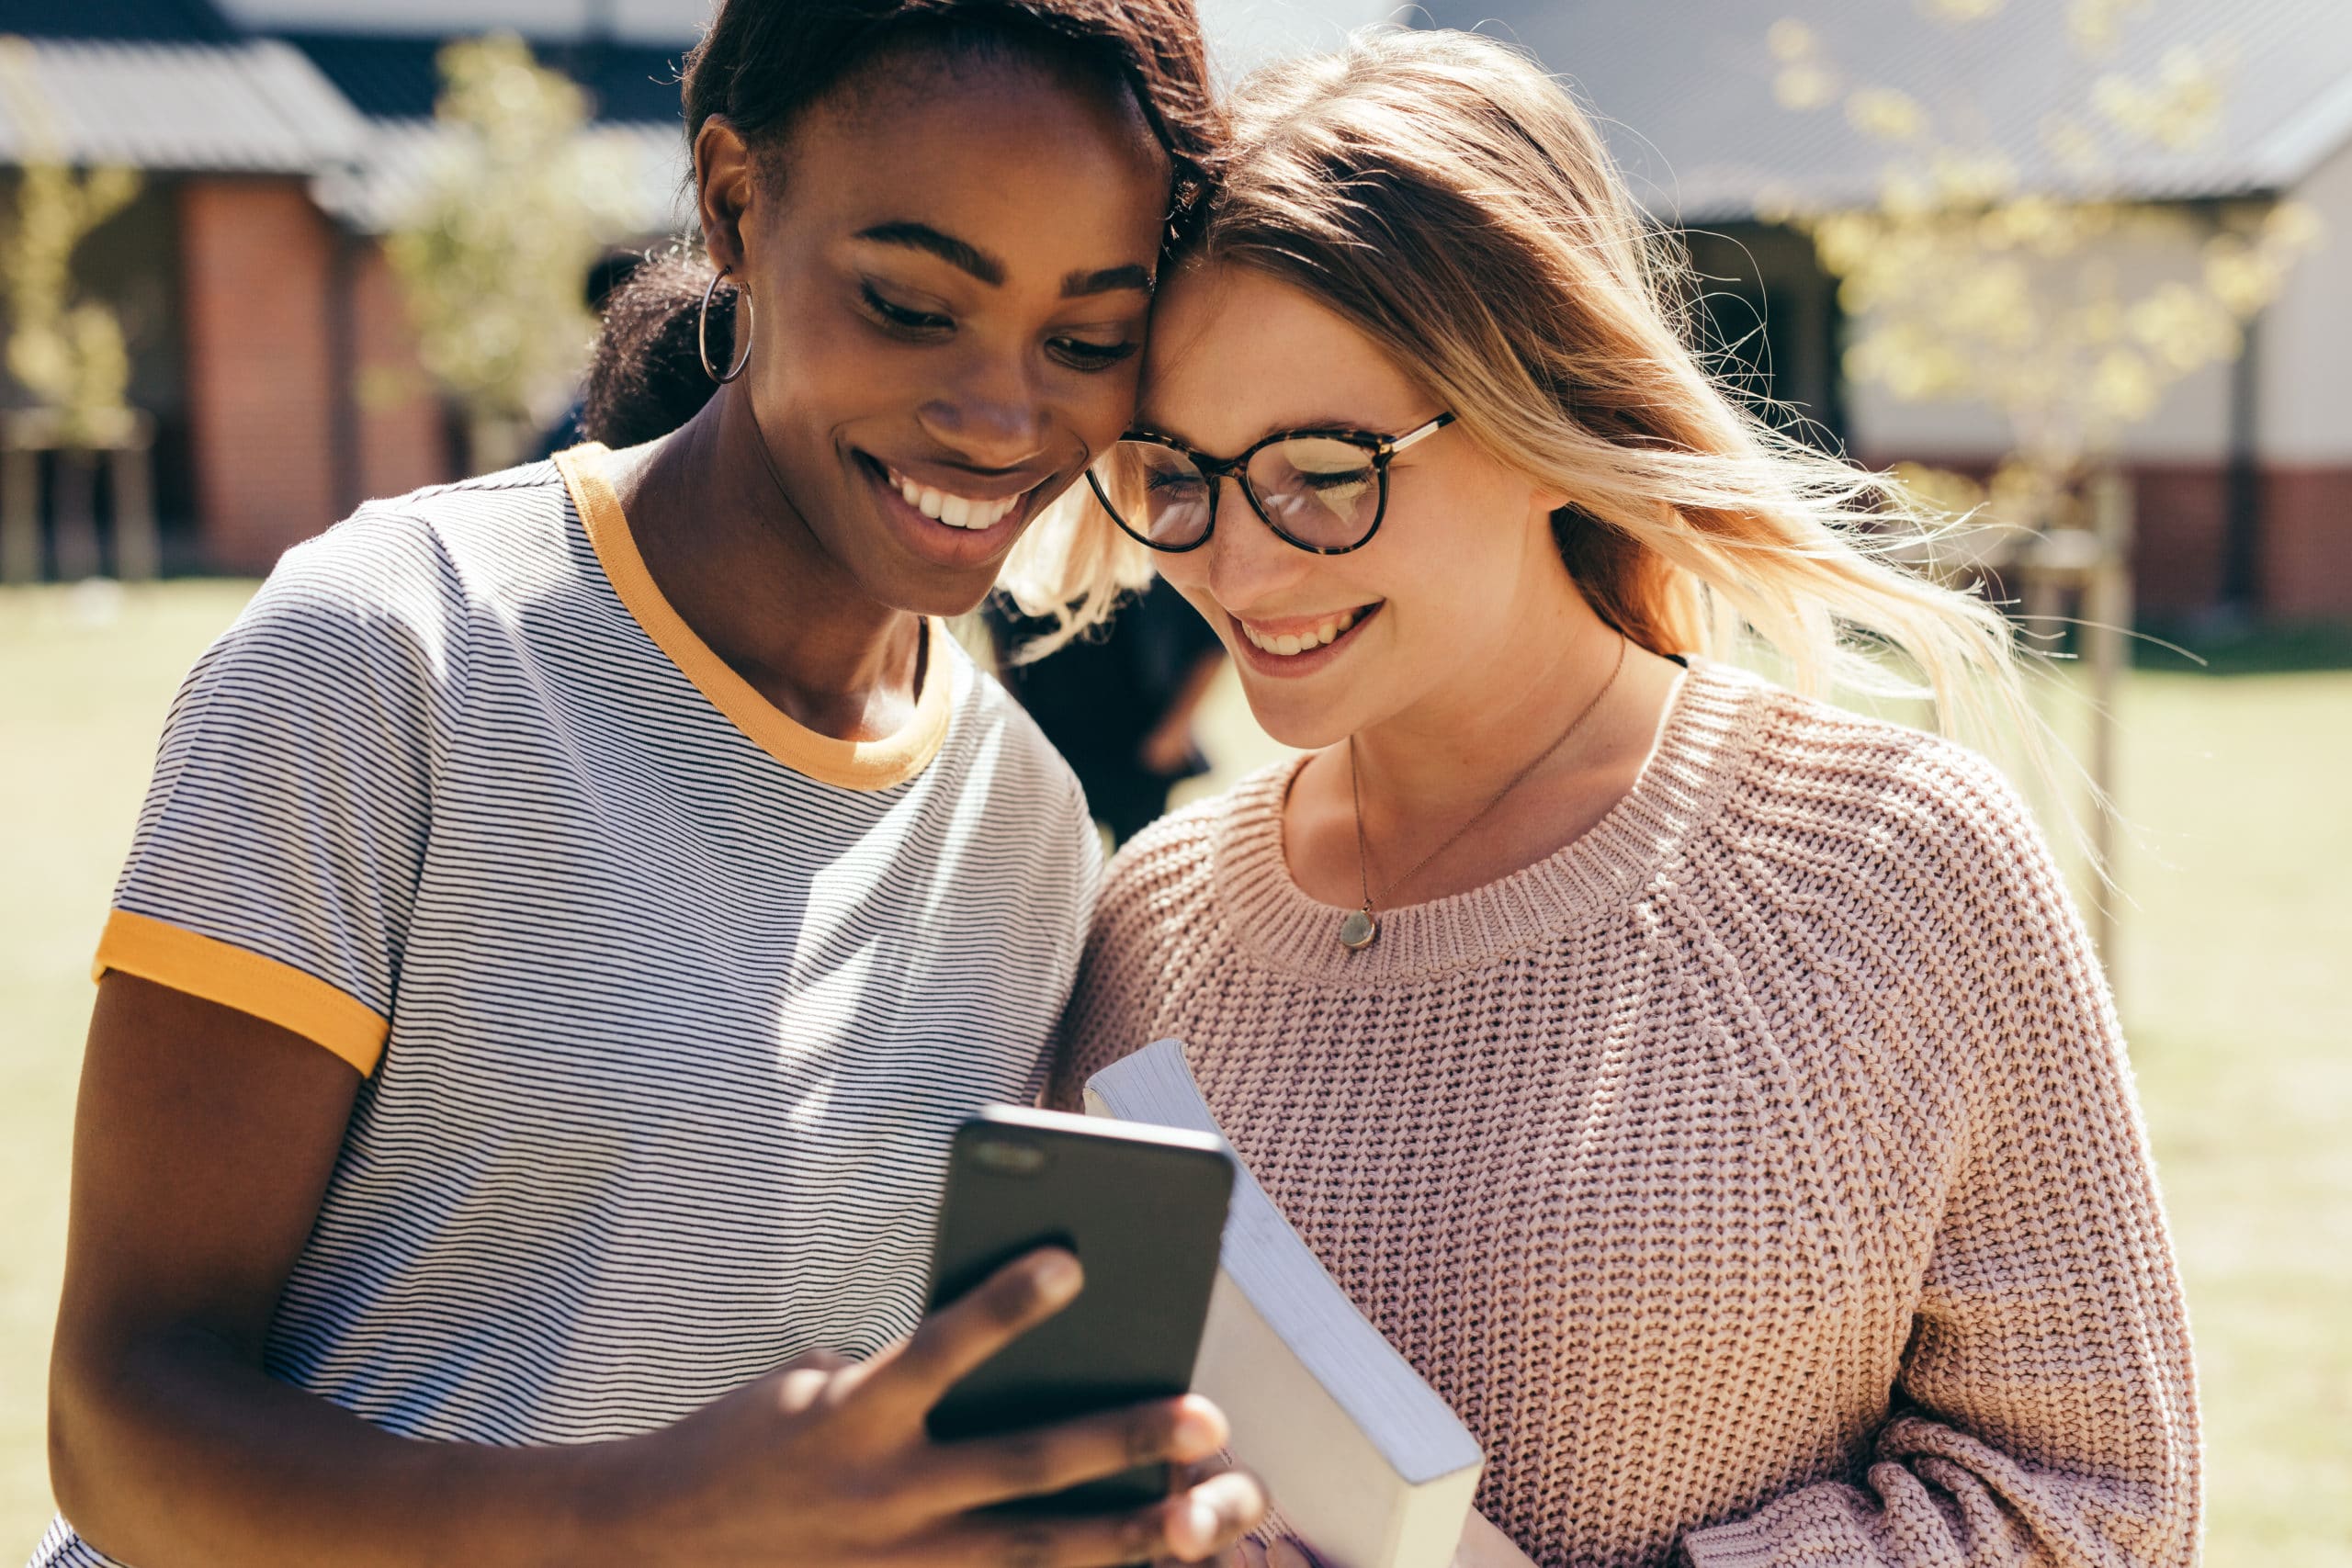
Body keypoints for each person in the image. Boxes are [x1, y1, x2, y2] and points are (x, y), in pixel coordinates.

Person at [36, 4, 1268, 1565]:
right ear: (738, 206)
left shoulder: (1021, 824)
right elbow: (117, 1429)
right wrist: (640, 1518)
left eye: (1088, 340)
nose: (1001, 417)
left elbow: (857, 1479)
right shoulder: (386, 655)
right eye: (908, 303)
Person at [1055, 29, 2197, 1568]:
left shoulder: (1889, 869)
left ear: (1547, 420)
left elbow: (2093, 1508)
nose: (1239, 565)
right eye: (1180, 471)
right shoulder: (1145, 925)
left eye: (1326, 469)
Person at [988, 574, 1227, 844]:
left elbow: (1211, 642)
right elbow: (1000, 631)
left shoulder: (1155, 552)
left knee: (1137, 868)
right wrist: (1020, 723)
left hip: (1140, 747)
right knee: (1051, 863)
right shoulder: (1034, 553)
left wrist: (1174, 730)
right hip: (1052, 740)